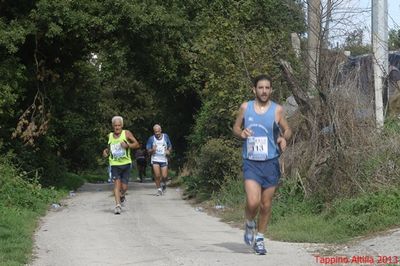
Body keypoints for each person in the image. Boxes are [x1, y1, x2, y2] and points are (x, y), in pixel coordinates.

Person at [233, 74, 292, 255]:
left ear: (271, 90)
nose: (264, 91)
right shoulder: (246, 107)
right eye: (261, 88)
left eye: (267, 88)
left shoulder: (277, 110)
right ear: (254, 90)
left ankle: (260, 238)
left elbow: (288, 129)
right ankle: (250, 223)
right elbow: (235, 127)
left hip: (270, 163)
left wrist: (284, 138)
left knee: (265, 205)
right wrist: (241, 133)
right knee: (253, 202)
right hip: (251, 162)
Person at [103, 116, 139, 214]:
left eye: (119, 125)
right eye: (115, 126)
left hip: (126, 164)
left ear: (122, 125)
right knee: (116, 186)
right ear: (112, 126)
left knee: (124, 187)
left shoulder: (126, 133)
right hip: (114, 164)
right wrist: (106, 152)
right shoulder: (109, 135)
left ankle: (122, 196)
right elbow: (109, 149)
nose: (117, 127)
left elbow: (137, 144)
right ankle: (118, 205)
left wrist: (128, 145)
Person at [146, 124, 172, 196]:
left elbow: (169, 146)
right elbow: (148, 150)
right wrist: (152, 150)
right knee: (157, 175)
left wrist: (168, 151)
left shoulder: (165, 136)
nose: (157, 133)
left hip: (164, 159)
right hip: (155, 159)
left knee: (164, 176)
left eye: (158, 131)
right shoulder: (151, 139)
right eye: (155, 132)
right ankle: (159, 189)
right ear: (154, 132)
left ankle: (163, 184)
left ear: (161, 130)